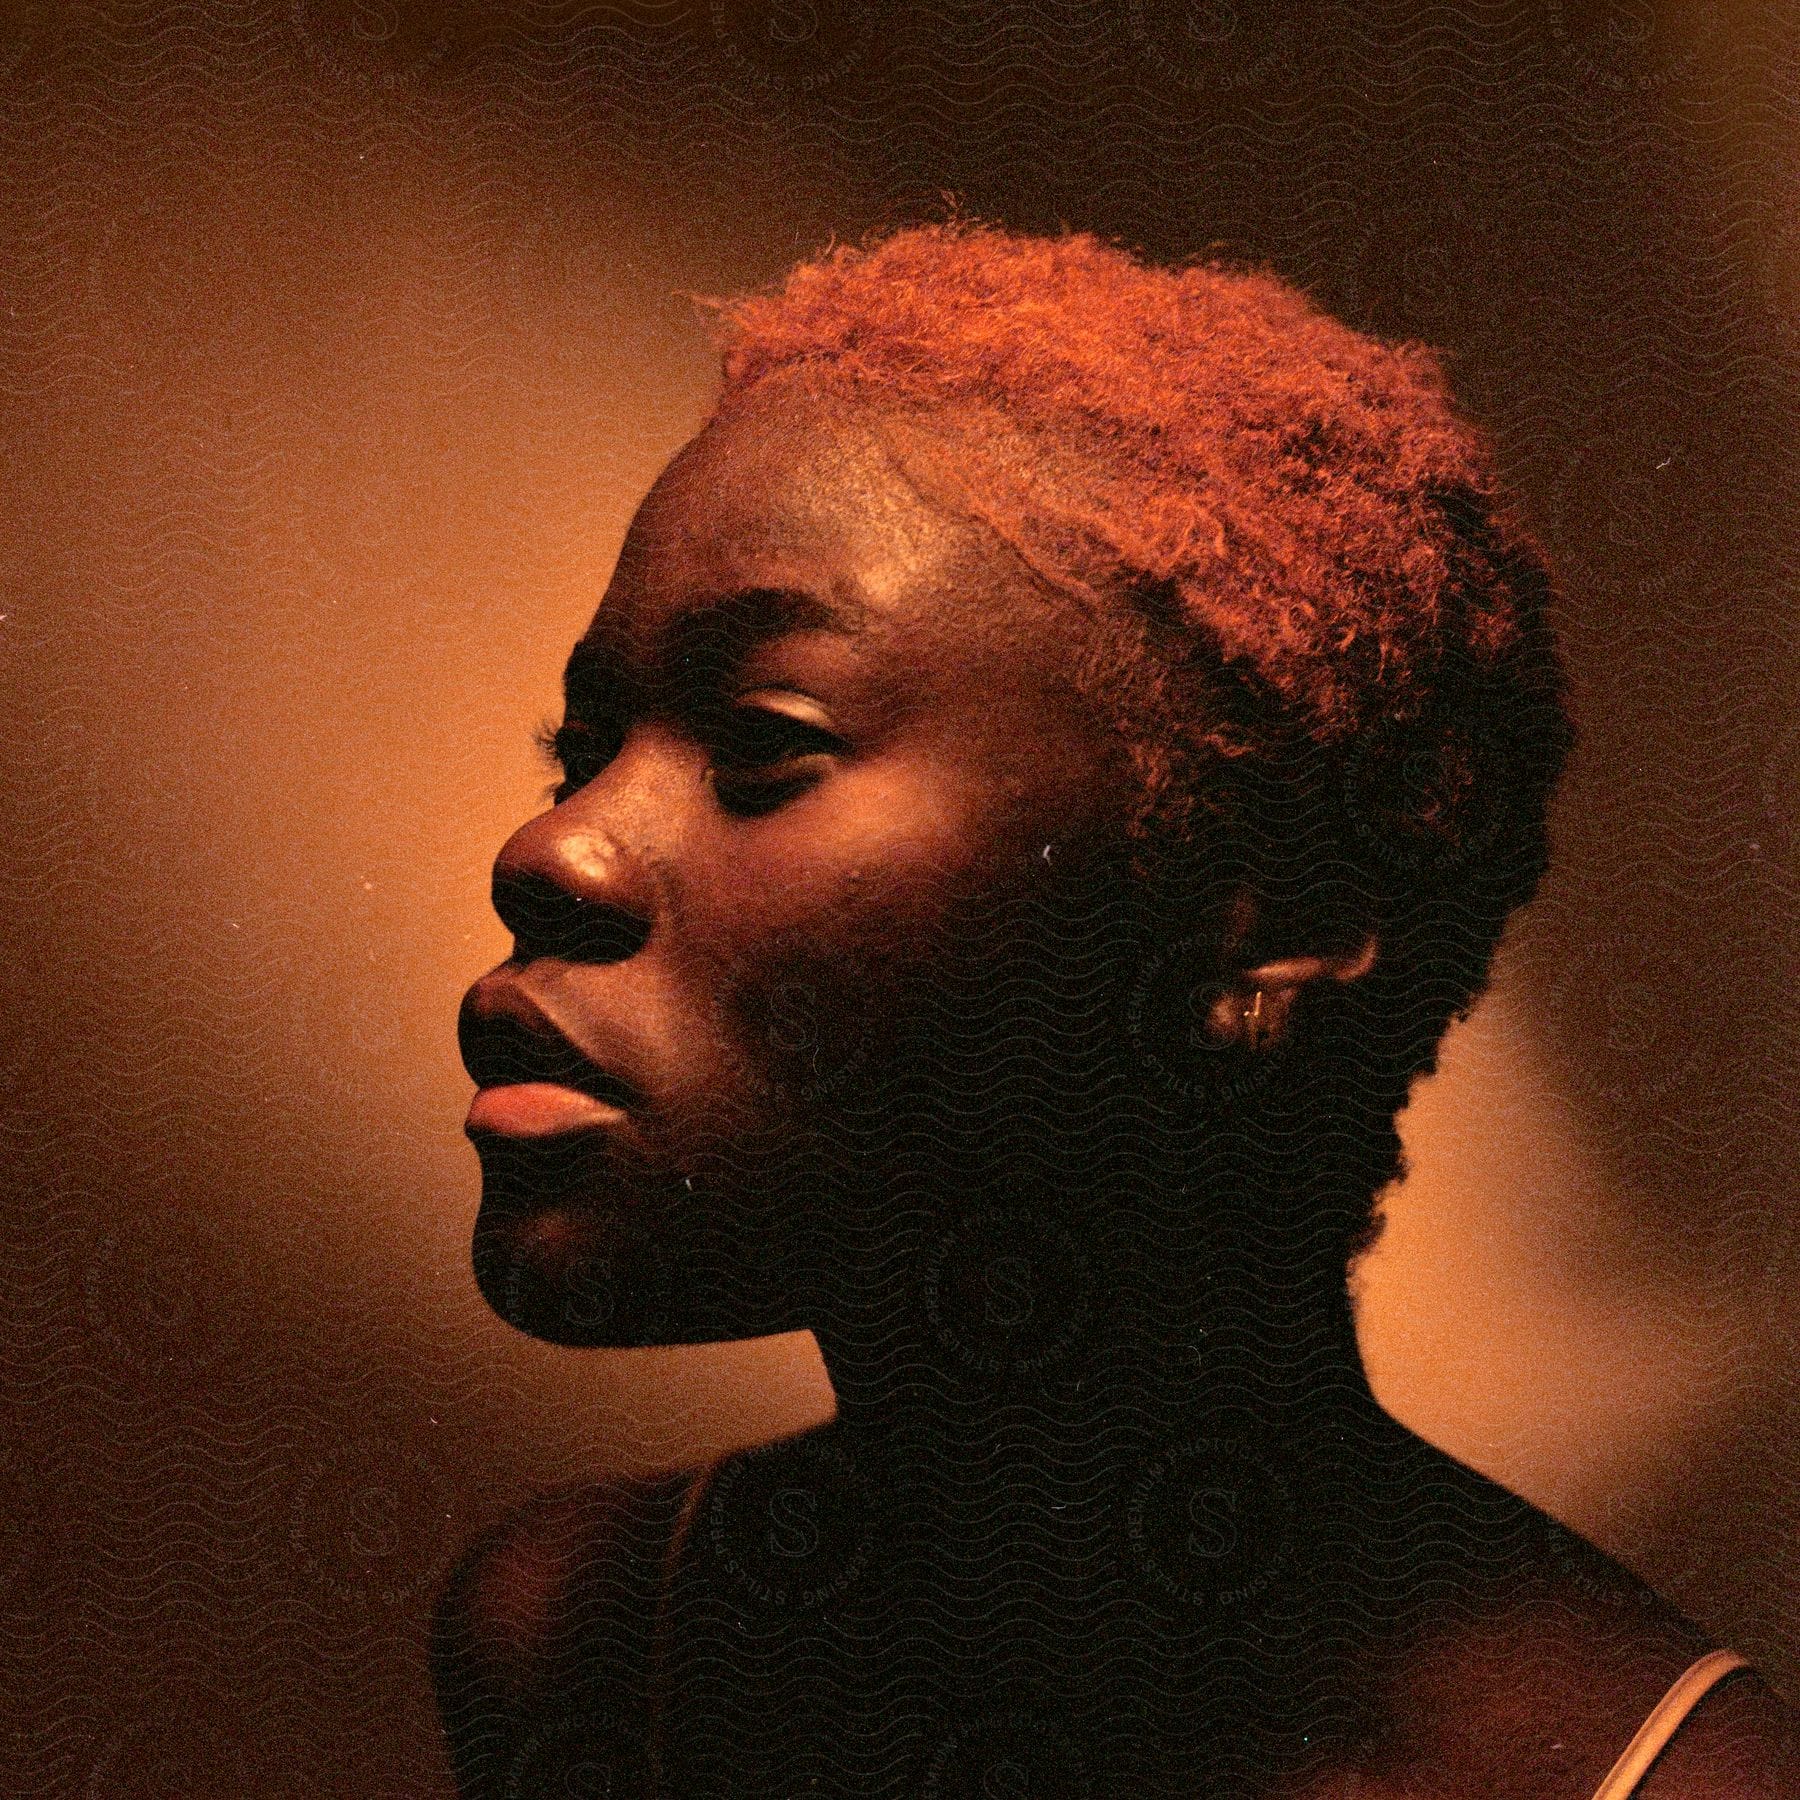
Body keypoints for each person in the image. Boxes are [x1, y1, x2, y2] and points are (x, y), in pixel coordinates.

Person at [433, 223, 1795, 1798]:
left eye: (764, 741)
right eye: (581, 747)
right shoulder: (588, 1648)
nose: (552, 848)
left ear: (1267, 921)